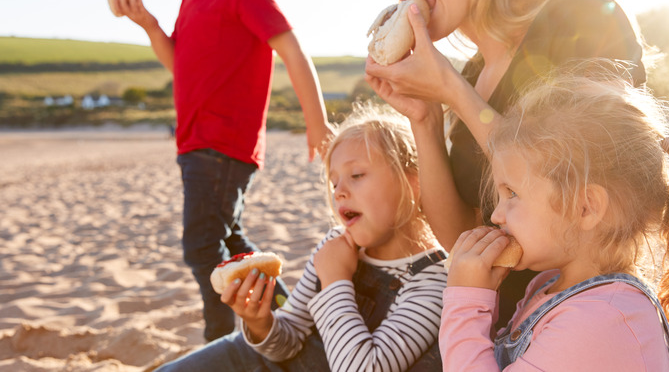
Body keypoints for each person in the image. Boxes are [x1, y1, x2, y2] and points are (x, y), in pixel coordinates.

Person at [365, 0, 647, 325]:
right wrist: (425, 117)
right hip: (502, 327)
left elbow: (577, 189)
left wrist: (454, 92)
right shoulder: (473, 75)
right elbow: (465, 236)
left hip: (580, 322)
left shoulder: (579, 14)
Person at [112, 0, 332, 341]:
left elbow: (293, 50)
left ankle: (220, 340)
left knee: (201, 247)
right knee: (230, 242)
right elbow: (179, 62)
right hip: (194, 143)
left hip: (223, 144)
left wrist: (316, 122)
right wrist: (148, 22)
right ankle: (292, 316)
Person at [438, 64, 669, 370]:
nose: (495, 215)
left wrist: (465, 304)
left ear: (585, 208)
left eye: (512, 194)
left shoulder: (600, 318)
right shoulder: (547, 286)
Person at [155, 103, 449, 372]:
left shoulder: (432, 280)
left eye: (357, 175)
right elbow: (287, 341)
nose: (339, 191)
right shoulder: (334, 245)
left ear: (414, 182)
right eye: (334, 182)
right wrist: (261, 323)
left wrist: (335, 280)